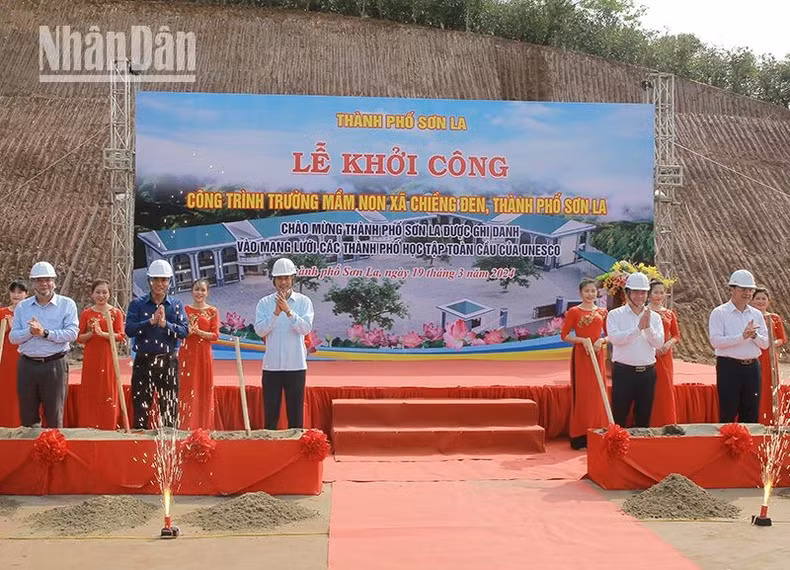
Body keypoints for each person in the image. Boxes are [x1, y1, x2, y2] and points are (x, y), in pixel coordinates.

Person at [8, 262, 78, 428]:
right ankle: (31, 451)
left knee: (54, 414)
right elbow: (13, 337)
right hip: (27, 365)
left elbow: (72, 333)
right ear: (32, 284)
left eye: (47, 280)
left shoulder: (67, 304)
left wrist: (45, 333)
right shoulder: (23, 307)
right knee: (27, 414)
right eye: (39, 280)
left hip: (54, 364)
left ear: (54, 282)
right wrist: (30, 332)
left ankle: (53, 451)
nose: (43, 284)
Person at [125, 260, 187, 429]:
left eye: (164, 280)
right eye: (156, 279)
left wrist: (165, 325)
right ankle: (139, 446)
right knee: (140, 407)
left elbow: (184, 331)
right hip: (143, 362)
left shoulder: (176, 305)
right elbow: (129, 330)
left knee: (169, 408)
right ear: (149, 281)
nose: (160, 284)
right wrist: (150, 321)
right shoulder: (137, 304)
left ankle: (169, 445)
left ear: (169, 281)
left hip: (168, 361)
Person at [254, 257, 314, 430]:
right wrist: (275, 314)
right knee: (270, 413)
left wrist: (288, 312)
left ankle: (295, 448)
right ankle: (270, 451)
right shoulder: (264, 303)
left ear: (293, 279)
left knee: (295, 414)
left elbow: (305, 328)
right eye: (279, 278)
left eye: (287, 277)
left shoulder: (304, 302)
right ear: (273, 280)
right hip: (271, 366)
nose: (283, 282)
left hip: (296, 365)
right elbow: (260, 331)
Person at [708, 269, 768, 423]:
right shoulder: (719, 313)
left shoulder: (756, 314)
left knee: (751, 412)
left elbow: (765, 344)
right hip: (729, 367)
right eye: (743, 289)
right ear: (732, 289)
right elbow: (716, 342)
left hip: (753, 368)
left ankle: (749, 446)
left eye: (750, 290)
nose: (747, 293)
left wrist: (753, 335)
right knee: (728, 411)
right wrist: (742, 337)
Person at [606, 272, 665, 428]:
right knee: (619, 415)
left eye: (643, 292)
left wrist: (648, 328)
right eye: (636, 292)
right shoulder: (615, 315)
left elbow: (659, 343)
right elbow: (616, 339)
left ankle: (641, 450)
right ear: (627, 293)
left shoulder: (655, 317)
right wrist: (638, 329)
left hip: (647, 374)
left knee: (644, 417)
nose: (640, 296)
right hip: (623, 372)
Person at [560, 278, 609, 450]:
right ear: (580, 293)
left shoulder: (603, 311)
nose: (590, 294)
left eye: (593, 291)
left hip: (597, 354)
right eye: (587, 291)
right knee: (583, 394)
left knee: (597, 395)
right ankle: (580, 436)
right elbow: (564, 335)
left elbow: (611, 335)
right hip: (582, 356)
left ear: (597, 293)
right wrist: (582, 341)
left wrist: (601, 340)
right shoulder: (574, 311)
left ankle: (598, 432)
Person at [77, 280, 125, 430]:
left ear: (109, 294)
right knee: (91, 389)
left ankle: (108, 423)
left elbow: (120, 336)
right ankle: (88, 423)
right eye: (97, 292)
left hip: (108, 357)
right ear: (92, 294)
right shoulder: (86, 313)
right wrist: (92, 333)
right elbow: (79, 338)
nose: (101, 295)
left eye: (104, 292)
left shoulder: (116, 313)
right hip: (91, 357)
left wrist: (103, 334)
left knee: (108, 388)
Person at [179, 279, 219, 430]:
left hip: (204, 354)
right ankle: (186, 424)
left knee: (203, 386)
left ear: (207, 292)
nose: (199, 293)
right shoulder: (185, 310)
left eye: (203, 290)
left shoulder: (212, 311)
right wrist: (188, 332)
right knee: (187, 387)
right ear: (191, 291)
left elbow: (215, 335)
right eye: (197, 289)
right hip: (187, 353)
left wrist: (199, 332)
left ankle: (204, 425)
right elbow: (180, 332)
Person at [749, 287, 786, 424]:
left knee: (769, 385)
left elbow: (782, 338)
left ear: (768, 301)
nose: (760, 301)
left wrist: (772, 343)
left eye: (763, 298)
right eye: (757, 298)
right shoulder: (749, 317)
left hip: (769, 357)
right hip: (754, 355)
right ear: (752, 301)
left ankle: (771, 418)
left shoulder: (774, 318)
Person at [647, 279, 680, 427]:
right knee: (650, 388)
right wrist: (654, 348)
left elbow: (676, 335)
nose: (659, 295)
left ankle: (667, 422)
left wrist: (667, 345)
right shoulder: (645, 313)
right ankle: (650, 422)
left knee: (665, 388)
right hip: (648, 355)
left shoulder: (669, 314)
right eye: (656, 292)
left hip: (665, 356)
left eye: (662, 292)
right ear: (649, 294)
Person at [0, 280, 29, 427]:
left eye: (20, 292)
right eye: (13, 291)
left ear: (26, 294)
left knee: (24, 389)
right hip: (6, 357)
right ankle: (6, 423)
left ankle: (22, 423)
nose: (16, 295)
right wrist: (5, 329)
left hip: (25, 355)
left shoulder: (29, 313)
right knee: (7, 389)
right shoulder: (3, 313)